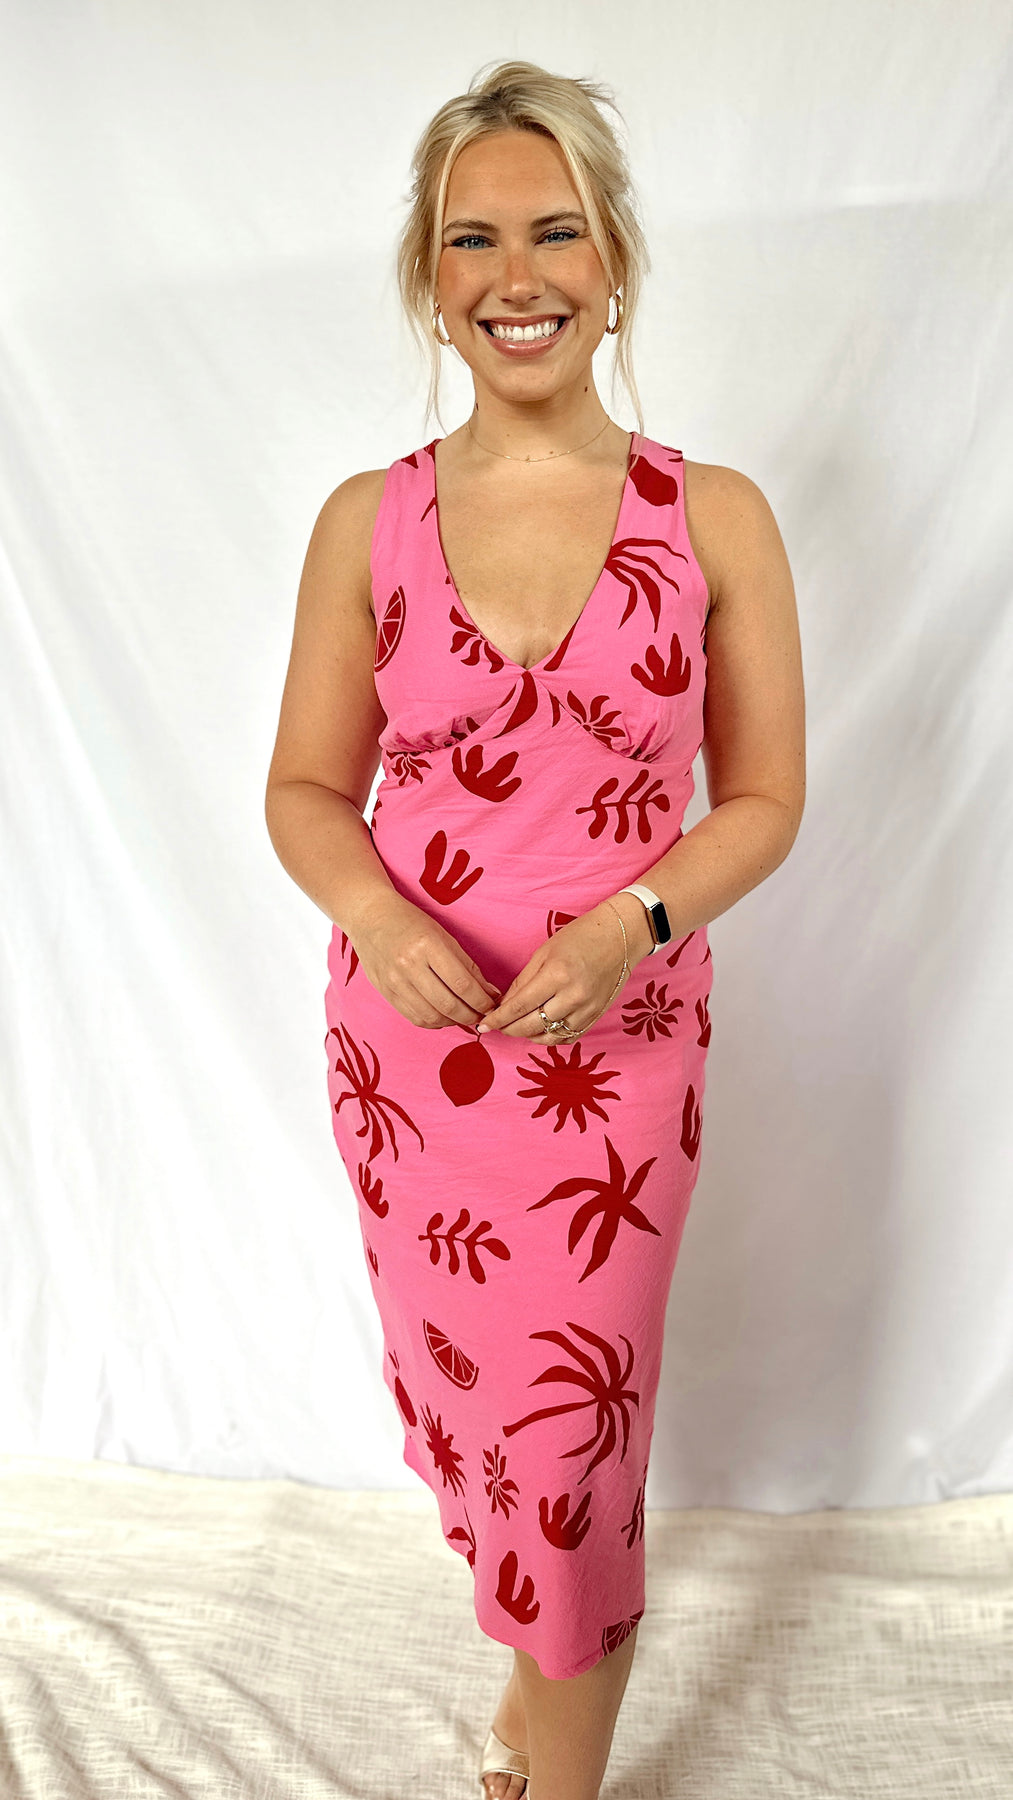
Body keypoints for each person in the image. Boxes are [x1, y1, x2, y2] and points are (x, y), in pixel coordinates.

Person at [265, 58, 804, 1800]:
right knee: (485, 1421)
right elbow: (304, 789)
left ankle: (554, 1769)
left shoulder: (710, 515)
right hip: (412, 1060)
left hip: (616, 1057)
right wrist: (372, 911)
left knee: (573, 1441)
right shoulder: (367, 522)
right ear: (428, 281)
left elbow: (764, 799)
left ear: (615, 260)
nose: (518, 276)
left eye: (556, 232)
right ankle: (535, 1685)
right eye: (473, 239)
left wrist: (635, 920)